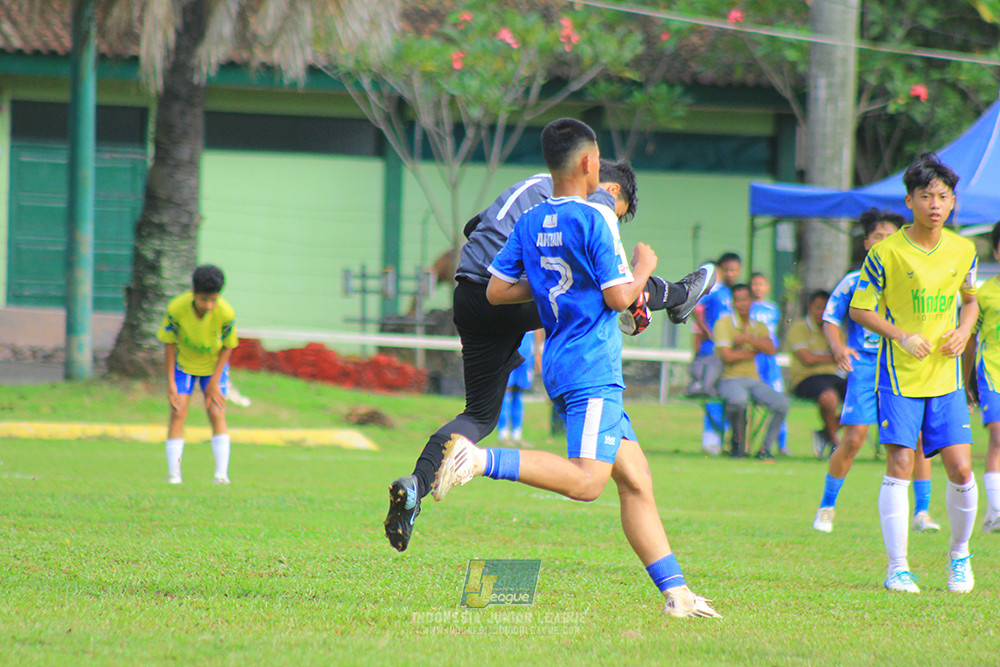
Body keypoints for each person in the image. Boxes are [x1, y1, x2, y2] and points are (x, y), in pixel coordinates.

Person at [433, 117, 719, 618]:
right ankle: (478, 460)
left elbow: (498, 291)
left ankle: (677, 595)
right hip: (591, 365)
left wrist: (552, 285)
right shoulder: (596, 219)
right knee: (589, 482)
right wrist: (645, 265)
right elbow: (618, 297)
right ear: (590, 164)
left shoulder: (532, 219)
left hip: (563, 361)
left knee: (635, 481)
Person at [383, 159, 717, 553]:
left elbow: (475, 227)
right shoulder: (587, 204)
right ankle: (677, 295)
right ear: (610, 190)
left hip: (470, 295)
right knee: (609, 288)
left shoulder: (535, 188)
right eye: (617, 209)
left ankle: (416, 484)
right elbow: (609, 282)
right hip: (509, 300)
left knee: (478, 415)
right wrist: (640, 272)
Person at [849, 152, 979, 594]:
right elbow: (860, 308)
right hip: (899, 374)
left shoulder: (964, 250)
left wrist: (964, 330)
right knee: (902, 462)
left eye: (943, 196)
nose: (935, 204)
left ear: (953, 202)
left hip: (946, 376)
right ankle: (897, 567)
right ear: (910, 201)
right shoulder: (886, 252)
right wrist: (901, 335)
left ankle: (959, 556)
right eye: (926, 196)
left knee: (961, 468)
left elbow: (970, 299)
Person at [813, 209, 940, 533]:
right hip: (867, 365)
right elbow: (830, 318)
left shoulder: (914, 277)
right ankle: (827, 506)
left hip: (906, 365)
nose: (885, 242)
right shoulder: (854, 280)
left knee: (917, 438)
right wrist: (839, 347)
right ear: (867, 242)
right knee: (854, 438)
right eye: (878, 237)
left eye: (891, 237)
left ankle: (922, 512)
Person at [156, 264, 238, 485]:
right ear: (193, 294)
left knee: (216, 412)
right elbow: (170, 343)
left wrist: (214, 382)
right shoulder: (177, 308)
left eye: (214, 300)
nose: (209, 305)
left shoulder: (226, 313)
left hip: (213, 367)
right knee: (178, 413)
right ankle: (174, 473)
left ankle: (221, 475)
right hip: (183, 365)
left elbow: (228, 347)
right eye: (204, 300)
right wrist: (171, 381)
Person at [713, 283, 789, 458]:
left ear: (752, 301)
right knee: (738, 400)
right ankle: (737, 446)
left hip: (753, 379)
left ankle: (765, 449)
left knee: (782, 404)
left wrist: (748, 339)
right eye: (738, 300)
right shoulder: (724, 323)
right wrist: (754, 350)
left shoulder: (759, 325)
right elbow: (727, 356)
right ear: (732, 302)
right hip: (729, 378)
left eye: (745, 299)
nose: (742, 304)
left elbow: (771, 349)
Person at [691, 252, 742, 455]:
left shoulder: (729, 293)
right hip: (711, 351)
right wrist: (706, 330)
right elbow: (696, 308)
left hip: (724, 351)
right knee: (711, 393)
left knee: (724, 392)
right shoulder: (714, 290)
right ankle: (712, 439)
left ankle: (725, 438)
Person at [967, 220, 1000, 533]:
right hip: (992, 374)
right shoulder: (983, 295)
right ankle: (998, 510)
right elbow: (969, 339)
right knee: (998, 438)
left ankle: (992, 513)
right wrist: (966, 383)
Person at [786, 290, 846, 459]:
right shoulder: (799, 328)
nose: (821, 312)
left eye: (825, 308)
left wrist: (837, 356)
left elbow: (844, 355)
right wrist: (834, 356)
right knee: (829, 397)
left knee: (862, 396)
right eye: (818, 307)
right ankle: (835, 443)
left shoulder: (835, 330)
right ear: (810, 308)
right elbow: (807, 359)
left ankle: (827, 432)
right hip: (805, 378)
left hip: (832, 377)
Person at [750, 272, 789, 455]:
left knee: (779, 398)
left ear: (768, 288)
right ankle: (749, 442)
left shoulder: (772, 309)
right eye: (755, 284)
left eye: (761, 284)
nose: (757, 287)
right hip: (755, 357)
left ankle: (782, 444)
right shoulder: (747, 308)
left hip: (770, 361)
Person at [497, 331, 537, 446]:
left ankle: (517, 434)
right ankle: (503, 433)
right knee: (506, 391)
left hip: (527, 352)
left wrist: (537, 353)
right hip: (508, 350)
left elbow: (538, 328)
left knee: (519, 393)